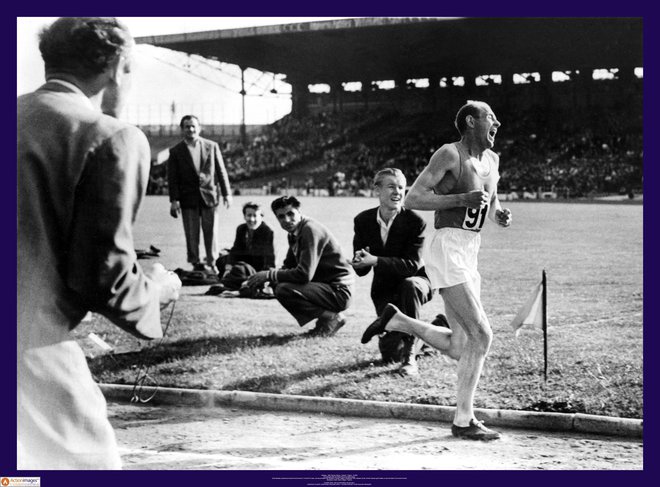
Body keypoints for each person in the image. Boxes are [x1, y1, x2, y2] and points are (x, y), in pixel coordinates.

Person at [17, 17, 182, 469]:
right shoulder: (110, 135)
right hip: (30, 348)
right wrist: (157, 289)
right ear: (116, 66)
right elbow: (103, 277)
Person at [361, 100, 512, 440]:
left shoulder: (492, 160)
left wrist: (499, 214)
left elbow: (491, 200)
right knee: (483, 335)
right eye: (492, 117)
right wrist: (460, 200)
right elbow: (413, 198)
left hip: (470, 250)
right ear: (471, 121)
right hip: (446, 247)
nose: (498, 123)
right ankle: (463, 420)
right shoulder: (449, 153)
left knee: (461, 346)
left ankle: (397, 320)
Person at [352, 168, 437, 376]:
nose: (398, 192)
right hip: (385, 290)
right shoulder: (363, 221)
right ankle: (436, 328)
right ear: (377, 191)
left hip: (419, 281)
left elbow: (412, 266)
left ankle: (410, 359)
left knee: (410, 285)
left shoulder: (415, 222)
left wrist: (376, 261)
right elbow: (362, 270)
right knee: (390, 354)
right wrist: (359, 263)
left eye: (401, 187)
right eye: (391, 186)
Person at [246, 196, 354, 336]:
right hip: (326, 286)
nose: (287, 220)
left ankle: (332, 318)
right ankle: (325, 323)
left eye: (290, 213)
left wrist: (268, 275)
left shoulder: (309, 230)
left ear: (299, 211)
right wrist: (263, 280)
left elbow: (304, 274)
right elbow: (288, 265)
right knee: (277, 284)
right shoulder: (295, 232)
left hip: (339, 291)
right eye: (281, 216)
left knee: (284, 289)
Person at [168, 114, 232, 273]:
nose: (190, 129)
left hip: (209, 196)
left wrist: (227, 193)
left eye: (193, 126)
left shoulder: (212, 146)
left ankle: (212, 262)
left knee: (211, 232)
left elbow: (221, 171)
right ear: (182, 129)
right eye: (187, 126)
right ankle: (195, 262)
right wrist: (174, 200)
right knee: (191, 233)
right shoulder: (176, 151)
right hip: (187, 197)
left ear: (199, 128)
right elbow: (172, 178)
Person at [218, 202, 275, 276]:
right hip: (245, 259)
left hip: (259, 264)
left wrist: (265, 275)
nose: (251, 219)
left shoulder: (267, 231)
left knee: (240, 269)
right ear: (244, 216)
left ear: (261, 217)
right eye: (249, 215)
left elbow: (270, 257)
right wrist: (228, 267)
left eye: (255, 215)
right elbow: (236, 249)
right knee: (221, 261)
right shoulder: (241, 228)